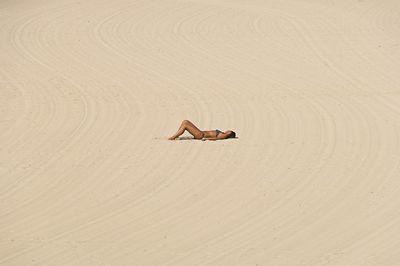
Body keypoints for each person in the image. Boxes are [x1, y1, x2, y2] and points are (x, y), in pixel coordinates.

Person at [168, 120, 236, 141]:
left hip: (200, 135)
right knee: (185, 123)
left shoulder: (224, 135)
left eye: (230, 130)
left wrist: (206, 138)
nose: (228, 130)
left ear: (230, 133)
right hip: (200, 134)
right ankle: (175, 136)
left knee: (185, 123)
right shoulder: (223, 134)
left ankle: (173, 137)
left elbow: (216, 138)